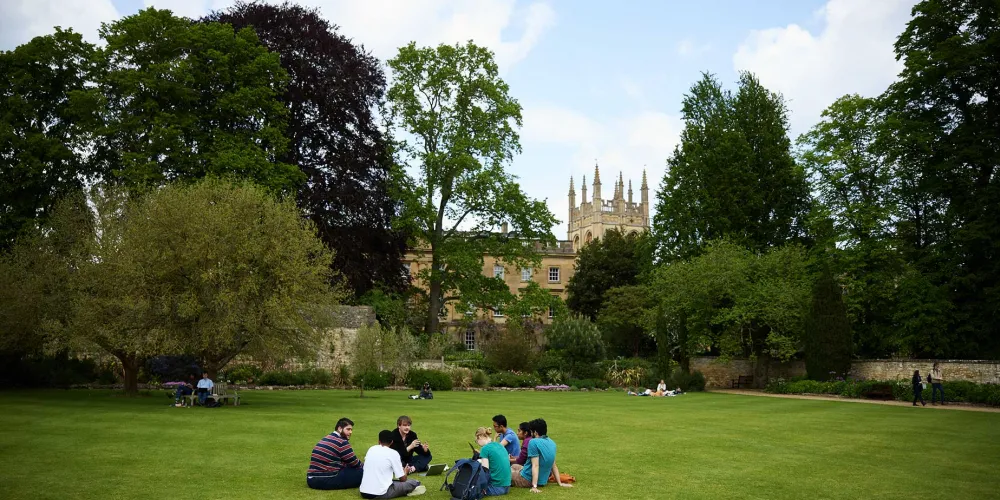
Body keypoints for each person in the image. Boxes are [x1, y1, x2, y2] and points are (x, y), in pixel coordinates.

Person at [510, 419, 572, 493]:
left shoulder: (533, 442)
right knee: (514, 466)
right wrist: (560, 483)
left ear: (535, 432)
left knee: (505, 473)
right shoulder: (552, 443)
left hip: (527, 479)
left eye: (531, 431)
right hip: (541, 480)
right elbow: (554, 465)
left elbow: (535, 465)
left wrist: (534, 486)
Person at [360, 430, 425, 498]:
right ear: (392, 442)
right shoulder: (393, 453)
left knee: (392, 482)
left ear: (379, 441)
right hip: (380, 493)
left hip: (363, 492)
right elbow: (403, 479)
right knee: (414, 482)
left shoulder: (371, 449)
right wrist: (405, 471)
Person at [307, 417, 364, 490]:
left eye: (351, 430)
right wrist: (365, 466)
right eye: (348, 429)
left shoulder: (326, 438)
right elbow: (355, 463)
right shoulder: (342, 442)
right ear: (340, 428)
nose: (350, 432)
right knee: (364, 472)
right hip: (325, 480)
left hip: (311, 479)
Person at [475, 426, 511, 496]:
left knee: (471, 488)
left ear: (480, 437)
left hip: (496, 487)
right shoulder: (499, 445)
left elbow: (485, 471)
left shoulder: (485, 449)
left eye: (476, 441)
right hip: (507, 486)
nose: (477, 443)